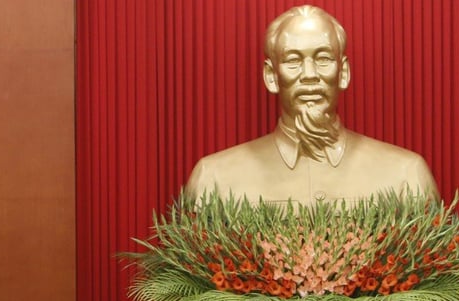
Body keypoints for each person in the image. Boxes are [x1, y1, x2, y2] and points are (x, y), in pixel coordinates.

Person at [185, 5, 437, 205]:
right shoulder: (214, 178)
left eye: (323, 58)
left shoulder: (406, 174)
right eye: (293, 60)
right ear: (271, 76)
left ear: (344, 72)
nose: (309, 74)